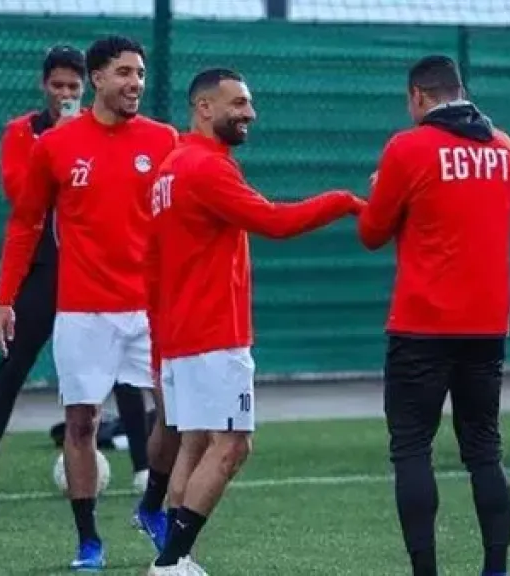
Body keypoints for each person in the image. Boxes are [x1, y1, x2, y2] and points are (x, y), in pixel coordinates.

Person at [145, 68, 365, 575]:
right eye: (239, 103)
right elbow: (275, 221)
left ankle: (173, 560)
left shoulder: (171, 167)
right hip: (213, 334)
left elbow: (152, 261)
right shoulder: (206, 168)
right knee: (232, 447)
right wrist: (345, 201)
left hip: (183, 334)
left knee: (195, 444)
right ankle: (171, 561)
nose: (250, 113)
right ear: (204, 108)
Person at [0, 35, 180, 571]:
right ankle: (88, 541)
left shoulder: (164, 139)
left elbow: (187, 210)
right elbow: (25, 224)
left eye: (140, 73)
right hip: (82, 311)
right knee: (81, 423)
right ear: (97, 79)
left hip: (149, 309)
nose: (135, 83)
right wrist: (5, 298)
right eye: (124, 73)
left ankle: (151, 507)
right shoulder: (54, 146)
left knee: (175, 415)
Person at [0, 45, 153, 499]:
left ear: (87, 86)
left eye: (73, 86)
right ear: (43, 85)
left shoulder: (101, 129)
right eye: (57, 85)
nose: (65, 93)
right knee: (13, 363)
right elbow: (21, 196)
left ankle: (144, 467)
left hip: (96, 268)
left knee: (124, 369)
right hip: (46, 263)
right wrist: (57, 144)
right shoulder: (25, 133)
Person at [358, 55, 510, 576]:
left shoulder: (408, 148)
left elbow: (372, 233)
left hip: (421, 324)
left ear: (419, 96)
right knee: (484, 451)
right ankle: (496, 568)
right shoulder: (505, 148)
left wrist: (382, 189)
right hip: (487, 323)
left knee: (411, 450)